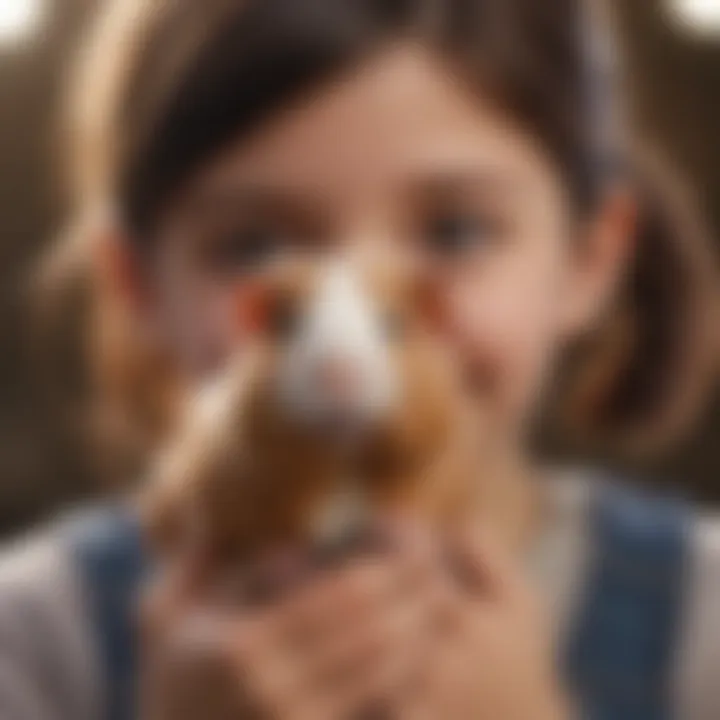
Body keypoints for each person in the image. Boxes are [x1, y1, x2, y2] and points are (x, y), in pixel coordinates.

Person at [2, 0, 719, 718]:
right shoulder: (36, 637)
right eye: (255, 247)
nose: (347, 345)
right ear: (140, 286)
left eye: (457, 232)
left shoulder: (700, 620)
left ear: (588, 262)